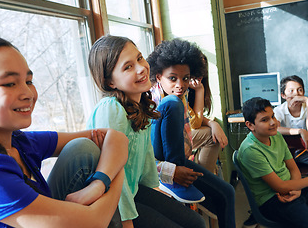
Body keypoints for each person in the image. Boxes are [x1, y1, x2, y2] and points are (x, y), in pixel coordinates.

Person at [0, 36, 129, 228]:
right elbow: (94, 221)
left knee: (83, 148)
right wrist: (116, 170)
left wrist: (99, 182)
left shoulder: (18, 141)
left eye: (28, 81)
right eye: (9, 83)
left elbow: (114, 137)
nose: (28, 94)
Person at [86, 35, 206, 228]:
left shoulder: (141, 104)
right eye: (128, 67)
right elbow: (115, 172)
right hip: (112, 203)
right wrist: (127, 221)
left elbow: (146, 162)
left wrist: (156, 196)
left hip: (134, 191)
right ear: (110, 82)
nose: (142, 68)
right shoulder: (112, 109)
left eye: (140, 58)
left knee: (196, 223)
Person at [147, 38, 236, 228]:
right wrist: (170, 170)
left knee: (227, 192)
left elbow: (192, 123)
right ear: (158, 77)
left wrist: (211, 122)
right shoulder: (150, 99)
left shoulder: (183, 95)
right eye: (173, 78)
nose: (180, 84)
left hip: (181, 154)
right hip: (159, 161)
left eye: (185, 78)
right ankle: (178, 181)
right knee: (172, 102)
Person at [238, 97, 308, 228]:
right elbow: (280, 187)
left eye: (272, 116)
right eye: (265, 120)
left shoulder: (276, 135)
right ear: (250, 125)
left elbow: (293, 168)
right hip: (273, 199)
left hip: (291, 187)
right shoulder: (250, 150)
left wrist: (298, 190)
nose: (273, 122)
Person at [187, 48, 228, 173]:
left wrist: (212, 123)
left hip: (183, 134)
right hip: (171, 140)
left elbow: (194, 119)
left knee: (213, 131)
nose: (200, 74)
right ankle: (206, 182)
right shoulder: (180, 88)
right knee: (211, 136)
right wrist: (200, 90)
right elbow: (194, 123)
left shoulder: (193, 88)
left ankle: (206, 179)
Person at [274, 75, 308, 166]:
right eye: (291, 91)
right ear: (283, 95)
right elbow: (275, 128)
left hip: (306, 152)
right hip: (284, 153)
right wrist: (300, 131)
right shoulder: (278, 110)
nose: (296, 94)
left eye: (300, 90)